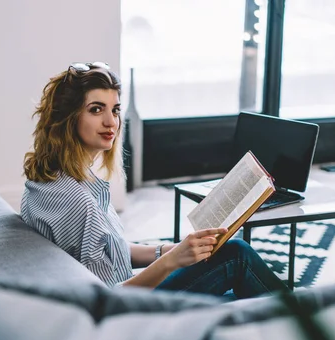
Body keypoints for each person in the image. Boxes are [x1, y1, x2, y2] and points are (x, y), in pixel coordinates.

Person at [21, 62, 287, 299]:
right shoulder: (78, 202)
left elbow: (108, 248)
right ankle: (307, 325)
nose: (110, 121)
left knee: (231, 272)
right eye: (95, 109)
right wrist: (172, 261)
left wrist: (172, 250)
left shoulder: (52, 178)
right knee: (237, 255)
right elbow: (107, 300)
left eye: (114, 110)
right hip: (127, 318)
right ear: (67, 118)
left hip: (115, 299)